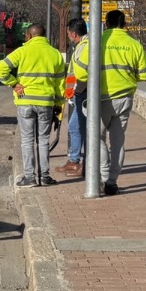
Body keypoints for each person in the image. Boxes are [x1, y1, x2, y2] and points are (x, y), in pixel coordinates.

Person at [73, 10, 146, 196]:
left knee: (97, 138)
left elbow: (81, 73)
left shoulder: (96, 43)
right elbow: (143, 75)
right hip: (124, 98)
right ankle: (112, 182)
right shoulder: (134, 44)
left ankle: (104, 177)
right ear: (124, 25)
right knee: (118, 141)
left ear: (105, 24)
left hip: (100, 99)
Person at [0, 23, 65, 187]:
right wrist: (59, 104)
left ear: (30, 35)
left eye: (26, 35)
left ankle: (29, 177)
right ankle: (45, 177)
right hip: (46, 102)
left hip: (25, 101)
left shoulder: (22, 51)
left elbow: (0, 68)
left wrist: (13, 84)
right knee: (43, 140)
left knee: (27, 140)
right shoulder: (55, 54)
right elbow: (60, 83)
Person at [55, 19, 89, 177]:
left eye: (69, 33)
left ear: (74, 34)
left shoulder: (84, 47)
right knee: (76, 127)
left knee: (77, 127)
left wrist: (74, 91)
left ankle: (78, 163)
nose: (68, 36)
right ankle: (75, 161)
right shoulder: (83, 45)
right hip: (80, 93)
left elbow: (81, 72)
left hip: (82, 93)